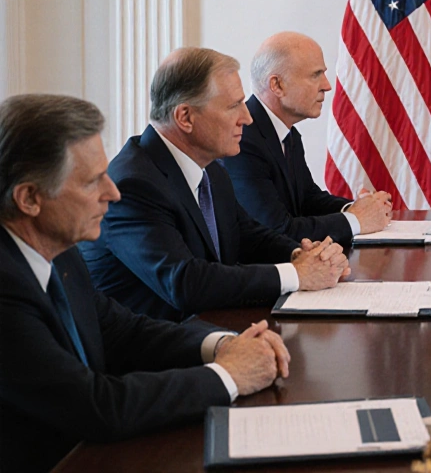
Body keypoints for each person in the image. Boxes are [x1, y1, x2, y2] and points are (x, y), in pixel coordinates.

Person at [0, 95, 290, 473]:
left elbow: (124, 331)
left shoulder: (60, 251)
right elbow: (95, 406)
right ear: (30, 198)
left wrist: (223, 344)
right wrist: (229, 375)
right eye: (92, 182)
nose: (113, 192)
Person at [81, 47, 350, 321]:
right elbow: (185, 282)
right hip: (156, 350)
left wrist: (301, 255)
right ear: (185, 117)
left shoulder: (211, 168)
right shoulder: (133, 185)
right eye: (233, 106)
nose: (246, 118)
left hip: (210, 327)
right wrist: (296, 274)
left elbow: (248, 235)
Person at [220, 32, 392, 246]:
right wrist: (356, 220)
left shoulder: (287, 133)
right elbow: (277, 229)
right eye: (315, 75)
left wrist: (357, 208)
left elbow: (308, 199)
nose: (327, 85)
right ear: (277, 85)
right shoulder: (243, 140)